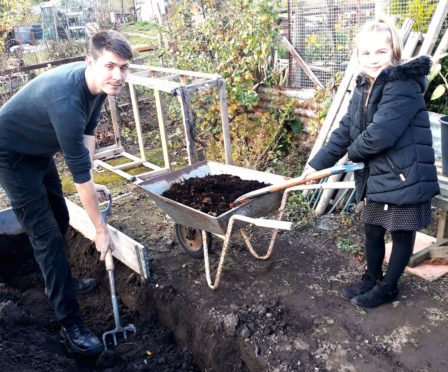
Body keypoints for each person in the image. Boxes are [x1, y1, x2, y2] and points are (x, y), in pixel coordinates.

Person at [0, 30, 133, 354]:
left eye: (124, 67)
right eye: (110, 66)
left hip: (37, 152)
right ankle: (71, 326)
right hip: (11, 155)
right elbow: (78, 180)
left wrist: (89, 176)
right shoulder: (66, 101)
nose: (118, 75)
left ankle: (62, 281)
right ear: (90, 62)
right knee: (46, 235)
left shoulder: (101, 88)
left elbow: (87, 137)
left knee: (59, 215)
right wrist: (100, 230)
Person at [305, 18, 439, 309]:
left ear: (394, 52)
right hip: (380, 173)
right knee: (372, 228)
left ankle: (389, 287)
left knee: (401, 231)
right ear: (357, 56)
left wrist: (348, 158)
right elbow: (345, 129)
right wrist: (318, 165)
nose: (373, 59)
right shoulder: (363, 85)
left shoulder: (402, 84)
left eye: (380, 51)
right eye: (366, 53)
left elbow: (380, 135)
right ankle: (371, 278)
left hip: (405, 173)